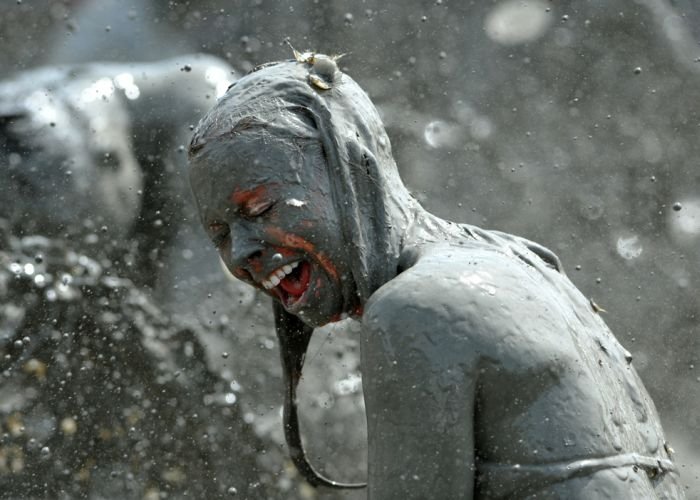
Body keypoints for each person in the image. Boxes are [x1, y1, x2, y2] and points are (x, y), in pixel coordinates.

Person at [187, 52, 685, 499]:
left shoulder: (417, 309)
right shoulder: (525, 260)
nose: (241, 255)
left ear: (349, 166)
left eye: (259, 208)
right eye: (221, 236)